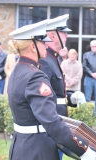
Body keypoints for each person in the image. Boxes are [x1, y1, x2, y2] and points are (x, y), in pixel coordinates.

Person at [7, 20, 96, 160]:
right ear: (33, 46)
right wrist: (83, 150)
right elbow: (51, 121)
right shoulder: (35, 75)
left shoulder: (18, 69)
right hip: (38, 148)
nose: (46, 45)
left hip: (21, 146)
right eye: (43, 42)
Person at [39, 15, 86, 160]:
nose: (66, 36)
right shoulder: (46, 61)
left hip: (57, 127)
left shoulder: (54, 58)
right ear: (52, 35)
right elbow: (43, 100)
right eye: (63, 32)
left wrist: (71, 98)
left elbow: (57, 93)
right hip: (50, 129)